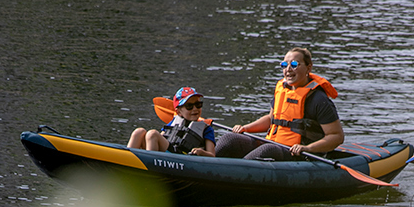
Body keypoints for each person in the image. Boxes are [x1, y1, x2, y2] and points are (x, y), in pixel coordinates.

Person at [213, 47, 344, 160]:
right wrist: (245, 128)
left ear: (308, 67)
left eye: (294, 64)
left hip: (298, 154)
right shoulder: (283, 90)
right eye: (284, 65)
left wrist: (307, 148)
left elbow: (336, 136)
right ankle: (208, 163)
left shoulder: (319, 100)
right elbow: (271, 119)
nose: (288, 69)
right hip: (274, 143)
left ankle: (235, 173)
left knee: (267, 150)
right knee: (230, 138)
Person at [127, 87, 216, 156]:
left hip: (181, 156)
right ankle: (126, 159)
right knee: (139, 132)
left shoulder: (207, 129)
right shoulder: (175, 121)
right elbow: (163, 135)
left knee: (152, 133)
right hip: (168, 151)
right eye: (189, 106)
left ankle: (150, 164)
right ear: (178, 112)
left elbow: (212, 156)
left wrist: (201, 152)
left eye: (198, 105)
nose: (195, 109)